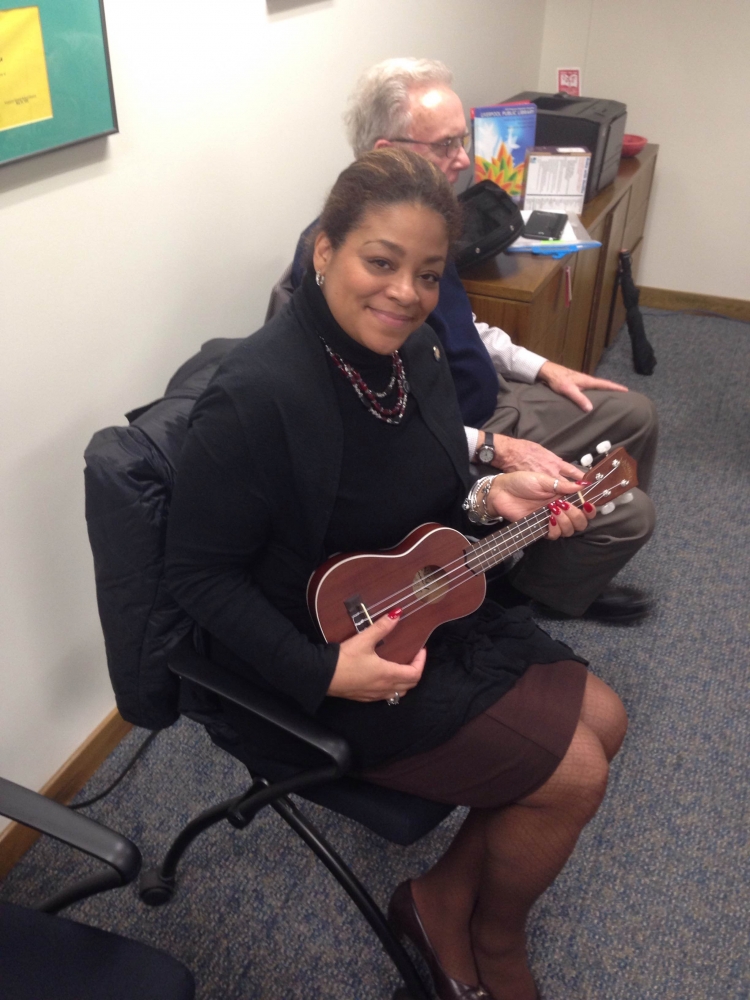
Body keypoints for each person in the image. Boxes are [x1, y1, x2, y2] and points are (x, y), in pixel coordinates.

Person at [166, 149, 628, 1000]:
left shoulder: (411, 361)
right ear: (323, 251)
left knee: (607, 717)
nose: (405, 293)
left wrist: (496, 496)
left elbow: (430, 508)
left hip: (414, 606)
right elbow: (194, 579)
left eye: (427, 273)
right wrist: (324, 670)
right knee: (576, 772)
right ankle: (494, 940)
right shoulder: (257, 394)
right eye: (380, 262)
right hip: (311, 656)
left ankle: (438, 898)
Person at [275, 57, 658, 624]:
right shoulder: (348, 277)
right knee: (630, 516)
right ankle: (520, 588)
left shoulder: (426, 225)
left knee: (637, 413)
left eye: (464, 140)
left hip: (488, 400)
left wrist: (543, 366)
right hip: (452, 436)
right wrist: (492, 447)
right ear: (387, 149)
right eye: (446, 144)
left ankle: (569, 553)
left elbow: (465, 324)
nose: (464, 160)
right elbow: (374, 427)